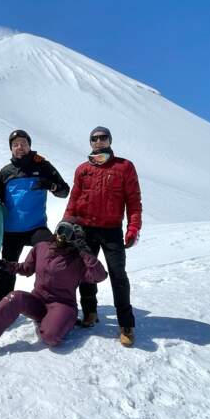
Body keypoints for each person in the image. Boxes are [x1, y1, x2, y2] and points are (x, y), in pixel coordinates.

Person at [0, 221, 108, 358]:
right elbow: (25, 268)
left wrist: (85, 252)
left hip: (62, 305)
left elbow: (100, 275)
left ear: (76, 239)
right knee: (14, 297)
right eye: (61, 229)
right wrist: (3, 264)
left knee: (50, 337)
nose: (61, 235)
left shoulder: (78, 259)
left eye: (68, 233)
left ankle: (64, 321)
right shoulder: (41, 247)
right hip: (38, 300)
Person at [62, 126, 142, 347]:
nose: (98, 142)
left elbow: (134, 202)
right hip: (85, 229)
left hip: (112, 230)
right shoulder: (82, 170)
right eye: (94, 139)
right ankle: (90, 313)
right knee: (86, 273)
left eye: (102, 138)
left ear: (110, 140)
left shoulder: (124, 167)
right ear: (90, 143)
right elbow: (74, 199)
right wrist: (66, 223)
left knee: (118, 275)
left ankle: (126, 324)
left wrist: (133, 228)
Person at [0, 128, 70, 303]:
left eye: (23, 143)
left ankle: (51, 301)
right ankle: (2, 306)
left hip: (36, 228)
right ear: (11, 149)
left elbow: (64, 191)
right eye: (15, 145)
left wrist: (51, 185)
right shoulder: (5, 172)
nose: (19, 147)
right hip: (11, 230)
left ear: (29, 146)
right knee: (7, 270)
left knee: (52, 260)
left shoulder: (42, 166)